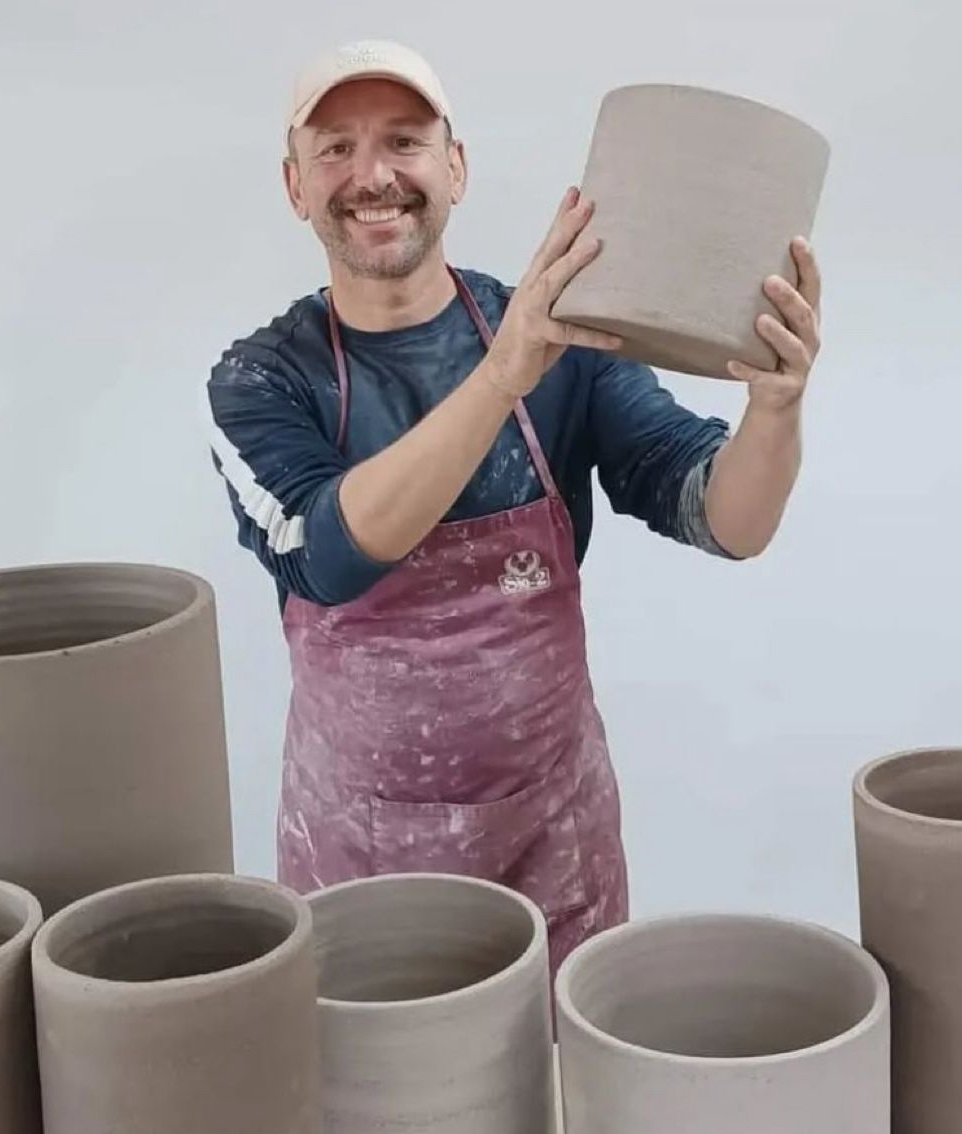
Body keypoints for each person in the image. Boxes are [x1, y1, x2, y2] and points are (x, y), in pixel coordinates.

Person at [205, 39, 822, 978]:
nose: (372, 175)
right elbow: (327, 555)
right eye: (336, 149)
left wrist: (776, 411)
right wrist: (504, 375)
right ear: (295, 185)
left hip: (556, 842)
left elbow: (726, 518)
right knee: (388, 1108)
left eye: (405, 142)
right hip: (363, 860)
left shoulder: (562, 339)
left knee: (563, 1104)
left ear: (455, 167)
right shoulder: (259, 380)